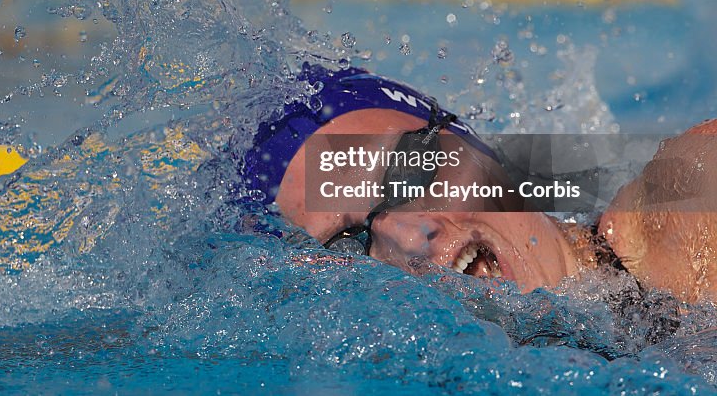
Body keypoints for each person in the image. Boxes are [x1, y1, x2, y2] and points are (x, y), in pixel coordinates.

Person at [242, 63, 717, 305]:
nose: (407, 234)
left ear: (481, 151)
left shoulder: (686, 207)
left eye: (409, 169)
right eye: (347, 245)